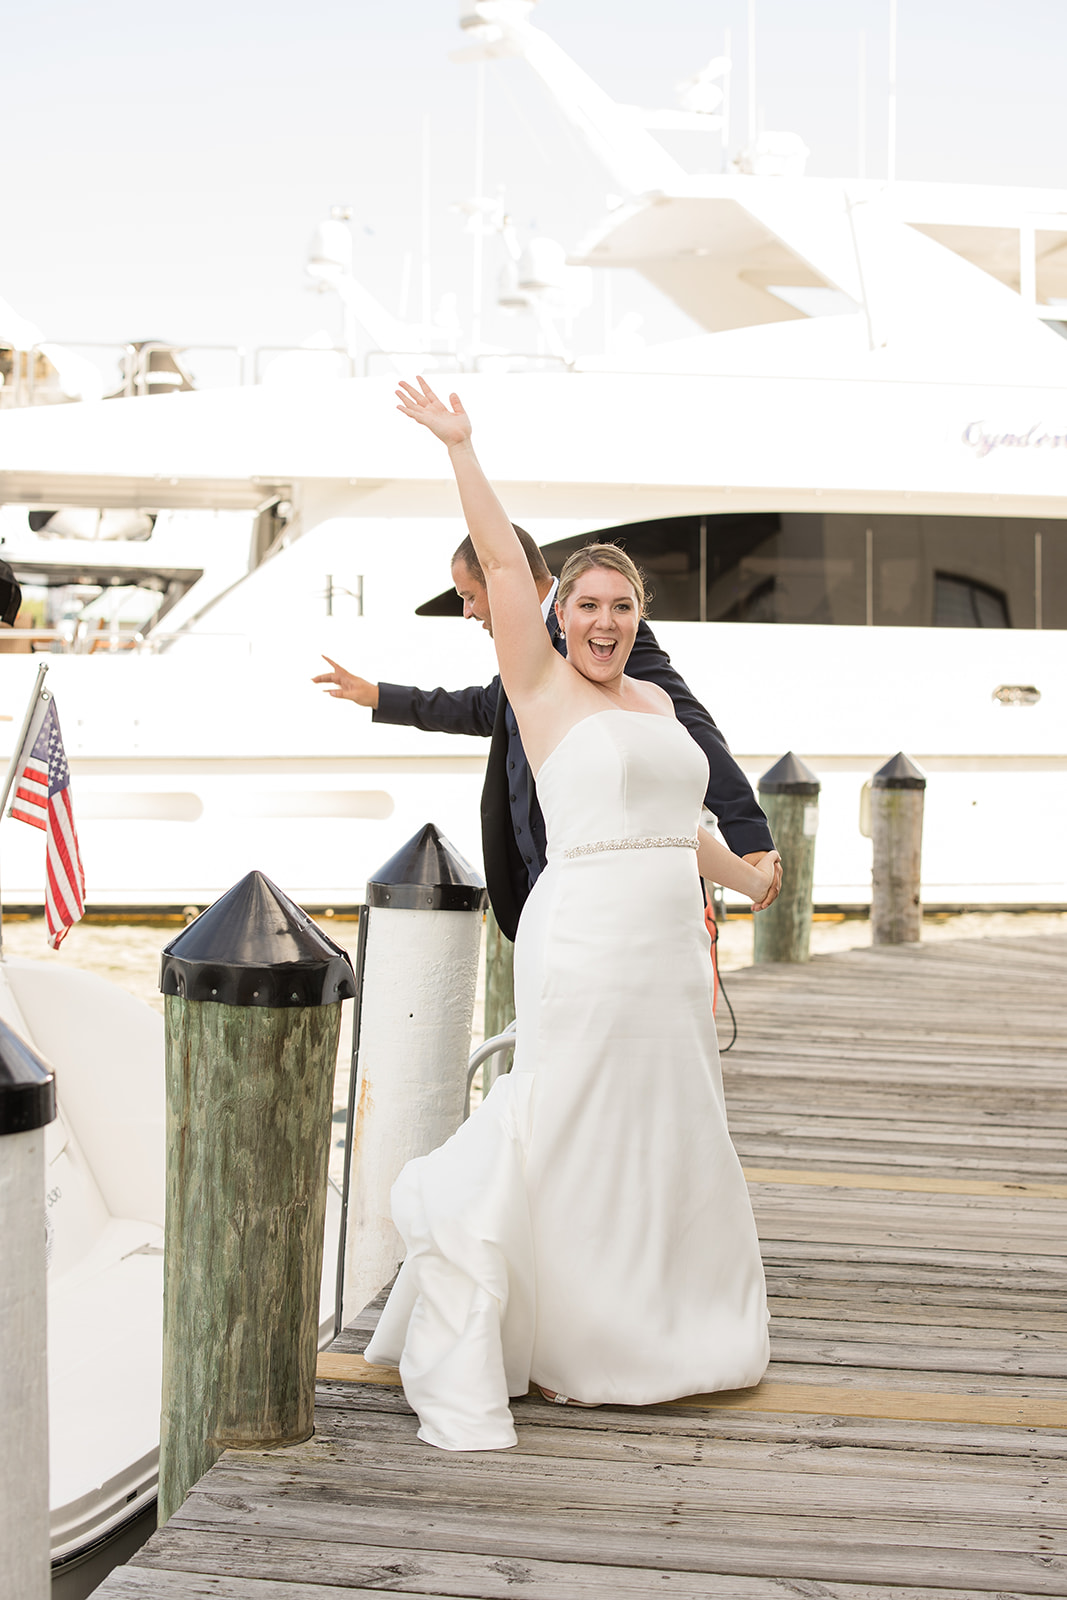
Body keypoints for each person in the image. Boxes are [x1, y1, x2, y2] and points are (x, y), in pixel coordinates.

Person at [362, 378, 778, 1451]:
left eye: (619, 606)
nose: (601, 620)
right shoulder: (539, 691)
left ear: (637, 619)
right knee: (579, 1119)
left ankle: (678, 1328)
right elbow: (502, 561)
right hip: (583, 936)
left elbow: (670, 817)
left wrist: (739, 875)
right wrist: (462, 447)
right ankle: (574, 1341)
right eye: (583, 604)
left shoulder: (652, 701)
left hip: (667, 947)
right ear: (555, 613)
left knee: (667, 1122)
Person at [314, 525, 780, 941]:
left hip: (619, 903)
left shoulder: (604, 633)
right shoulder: (529, 655)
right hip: (544, 892)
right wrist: (376, 695)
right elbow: (482, 707)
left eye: (470, 595)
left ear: (503, 580)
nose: (467, 611)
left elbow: (694, 731)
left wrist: (750, 840)